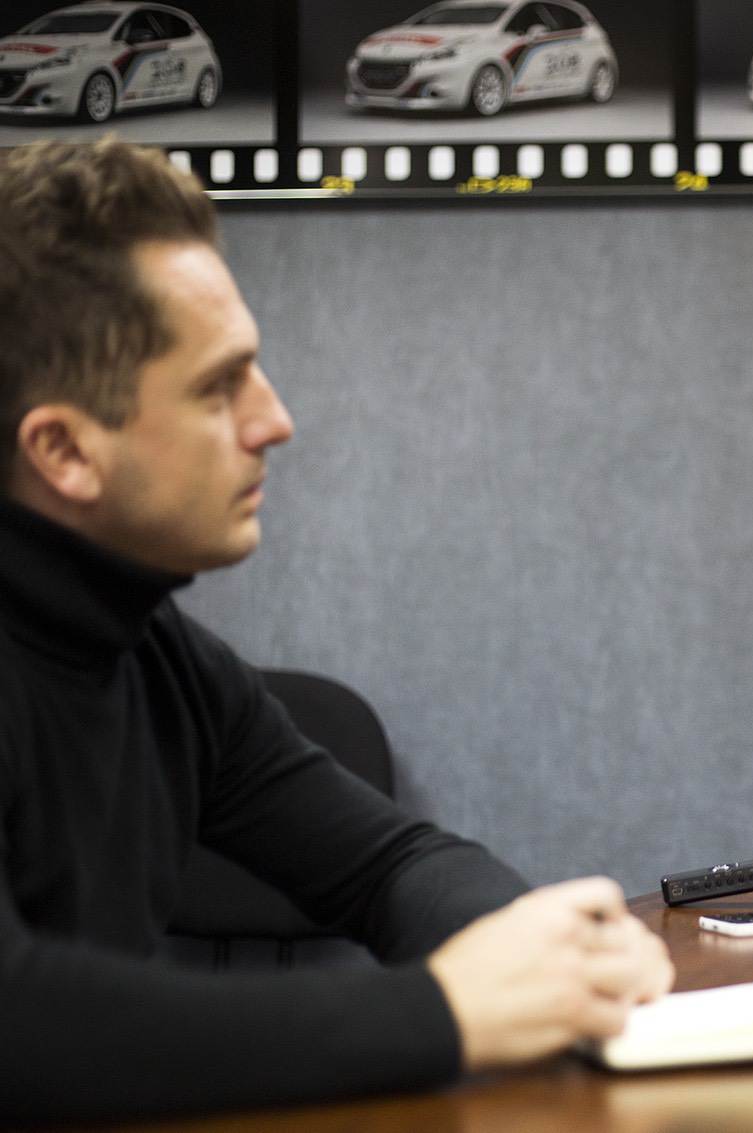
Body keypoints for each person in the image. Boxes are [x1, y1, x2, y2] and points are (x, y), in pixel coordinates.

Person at [0, 138, 673, 1123]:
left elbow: (389, 863)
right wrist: (445, 1011)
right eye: (218, 386)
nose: (274, 419)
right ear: (64, 449)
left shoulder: (154, 651)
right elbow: (21, 1022)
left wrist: (551, 952)